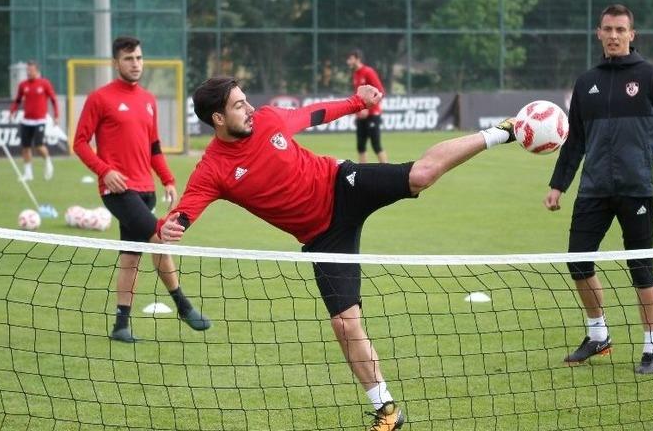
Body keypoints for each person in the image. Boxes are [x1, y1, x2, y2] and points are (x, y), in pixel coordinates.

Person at [158, 76, 517, 431]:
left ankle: (502, 131)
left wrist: (358, 101)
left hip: (342, 185)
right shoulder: (213, 168)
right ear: (217, 119)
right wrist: (173, 225)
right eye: (239, 105)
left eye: (246, 100)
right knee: (344, 323)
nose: (250, 109)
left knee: (420, 175)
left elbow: (316, 113)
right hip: (323, 238)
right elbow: (184, 211)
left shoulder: (268, 119)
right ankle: (387, 410)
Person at [545, 4, 653, 375]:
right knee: (578, 262)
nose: (614, 35)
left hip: (636, 190)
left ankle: (652, 349)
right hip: (593, 190)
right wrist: (558, 185)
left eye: (621, 29)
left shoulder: (651, 77)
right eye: (608, 29)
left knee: (642, 270)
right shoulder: (586, 82)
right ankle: (598, 334)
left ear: (632, 34)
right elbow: (576, 142)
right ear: (598, 33)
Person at [74, 36, 210, 343]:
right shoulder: (100, 98)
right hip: (119, 192)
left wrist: (168, 179)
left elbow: (154, 147)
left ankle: (120, 326)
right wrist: (104, 171)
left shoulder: (148, 99)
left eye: (138, 58)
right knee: (160, 240)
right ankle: (183, 306)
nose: (135, 63)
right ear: (115, 63)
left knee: (130, 258)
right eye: (128, 59)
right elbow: (80, 143)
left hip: (146, 190)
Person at [10, 60, 59, 181]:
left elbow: (53, 99)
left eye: (31, 70)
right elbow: (17, 100)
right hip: (26, 121)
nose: (28, 72)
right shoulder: (23, 85)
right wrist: (12, 111)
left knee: (38, 145)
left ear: (37, 71)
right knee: (25, 147)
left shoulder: (45, 83)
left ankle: (48, 161)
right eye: (27, 70)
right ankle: (28, 174)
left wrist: (56, 115)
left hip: (40, 120)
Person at [347, 49, 387, 163]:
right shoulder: (355, 74)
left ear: (357, 59)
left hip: (372, 115)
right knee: (360, 146)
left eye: (350, 59)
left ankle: (387, 173)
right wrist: (355, 110)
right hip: (361, 116)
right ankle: (361, 175)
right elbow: (358, 96)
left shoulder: (368, 71)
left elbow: (380, 92)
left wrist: (368, 110)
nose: (348, 61)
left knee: (376, 145)